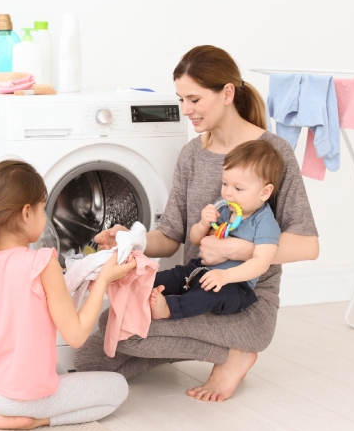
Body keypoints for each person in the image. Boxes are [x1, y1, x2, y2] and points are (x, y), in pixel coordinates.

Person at [75, 45, 319, 402]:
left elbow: (309, 245)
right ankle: (200, 340)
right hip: (193, 289)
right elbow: (171, 237)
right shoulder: (192, 155)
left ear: (227, 94)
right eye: (181, 99)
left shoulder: (273, 152)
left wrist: (239, 248)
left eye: (194, 99)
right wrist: (132, 239)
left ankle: (235, 353)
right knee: (91, 357)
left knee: (127, 333)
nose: (185, 110)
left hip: (244, 300)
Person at [0, 160, 134, 429]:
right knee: (117, 389)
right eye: (44, 209)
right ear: (27, 213)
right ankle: (33, 421)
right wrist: (102, 278)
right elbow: (76, 336)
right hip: (28, 402)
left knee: (46, 371)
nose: (45, 218)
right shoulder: (43, 264)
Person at [150, 140, 283, 321]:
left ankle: (169, 309)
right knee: (170, 276)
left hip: (234, 285)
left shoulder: (264, 222)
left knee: (211, 296)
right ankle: (138, 285)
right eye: (224, 184)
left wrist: (225, 276)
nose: (227, 193)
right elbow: (196, 239)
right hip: (199, 269)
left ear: (265, 192)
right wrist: (203, 223)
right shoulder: (224, 208)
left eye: (237, 188)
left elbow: (261, 262)